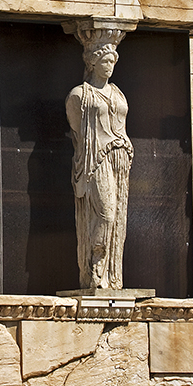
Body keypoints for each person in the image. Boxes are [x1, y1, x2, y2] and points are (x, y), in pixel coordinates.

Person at [65, 43, 133, 291]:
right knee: (106, 214)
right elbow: (76, 129)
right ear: (92, 63)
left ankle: (111, 276)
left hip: (120, 159)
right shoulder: (79, 96)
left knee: (118, 220)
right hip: (96, 160)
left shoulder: (118, 94)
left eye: (113, 61)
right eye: (105, 61)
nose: (110, 66)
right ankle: (95, 267)